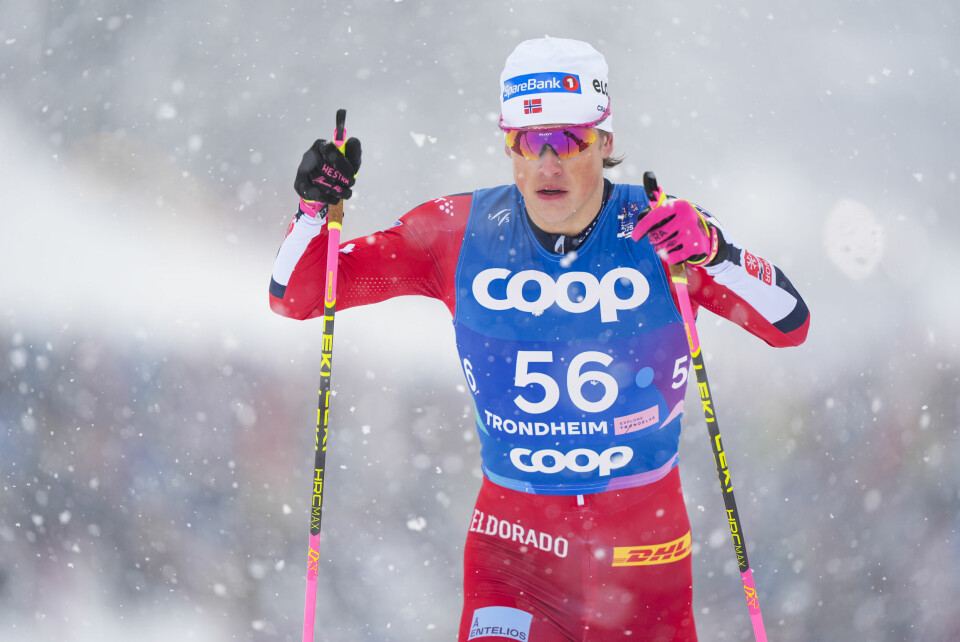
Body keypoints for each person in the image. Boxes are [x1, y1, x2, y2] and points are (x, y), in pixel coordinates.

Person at [270, 36, 809, 642]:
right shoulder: (457, 230)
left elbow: (789, 324)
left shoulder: (663, 229)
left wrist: (719, 251)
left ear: (604, 144)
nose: (547, 163)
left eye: (567, 142)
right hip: (513, 554)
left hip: (644, 565)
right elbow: (299, 296)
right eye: (528, 142)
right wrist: (315, 209)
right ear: (509, 146)